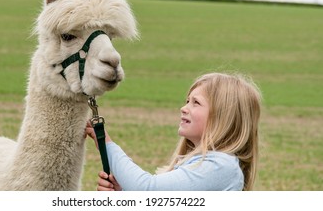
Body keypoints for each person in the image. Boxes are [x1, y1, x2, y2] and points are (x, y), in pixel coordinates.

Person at [86, 72, 262, 191]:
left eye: (196, 103)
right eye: (187, 101)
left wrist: (106, 142)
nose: (184, 108)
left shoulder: (220, 166)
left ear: (224, 117)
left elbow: (147, 189)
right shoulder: (210, 165)